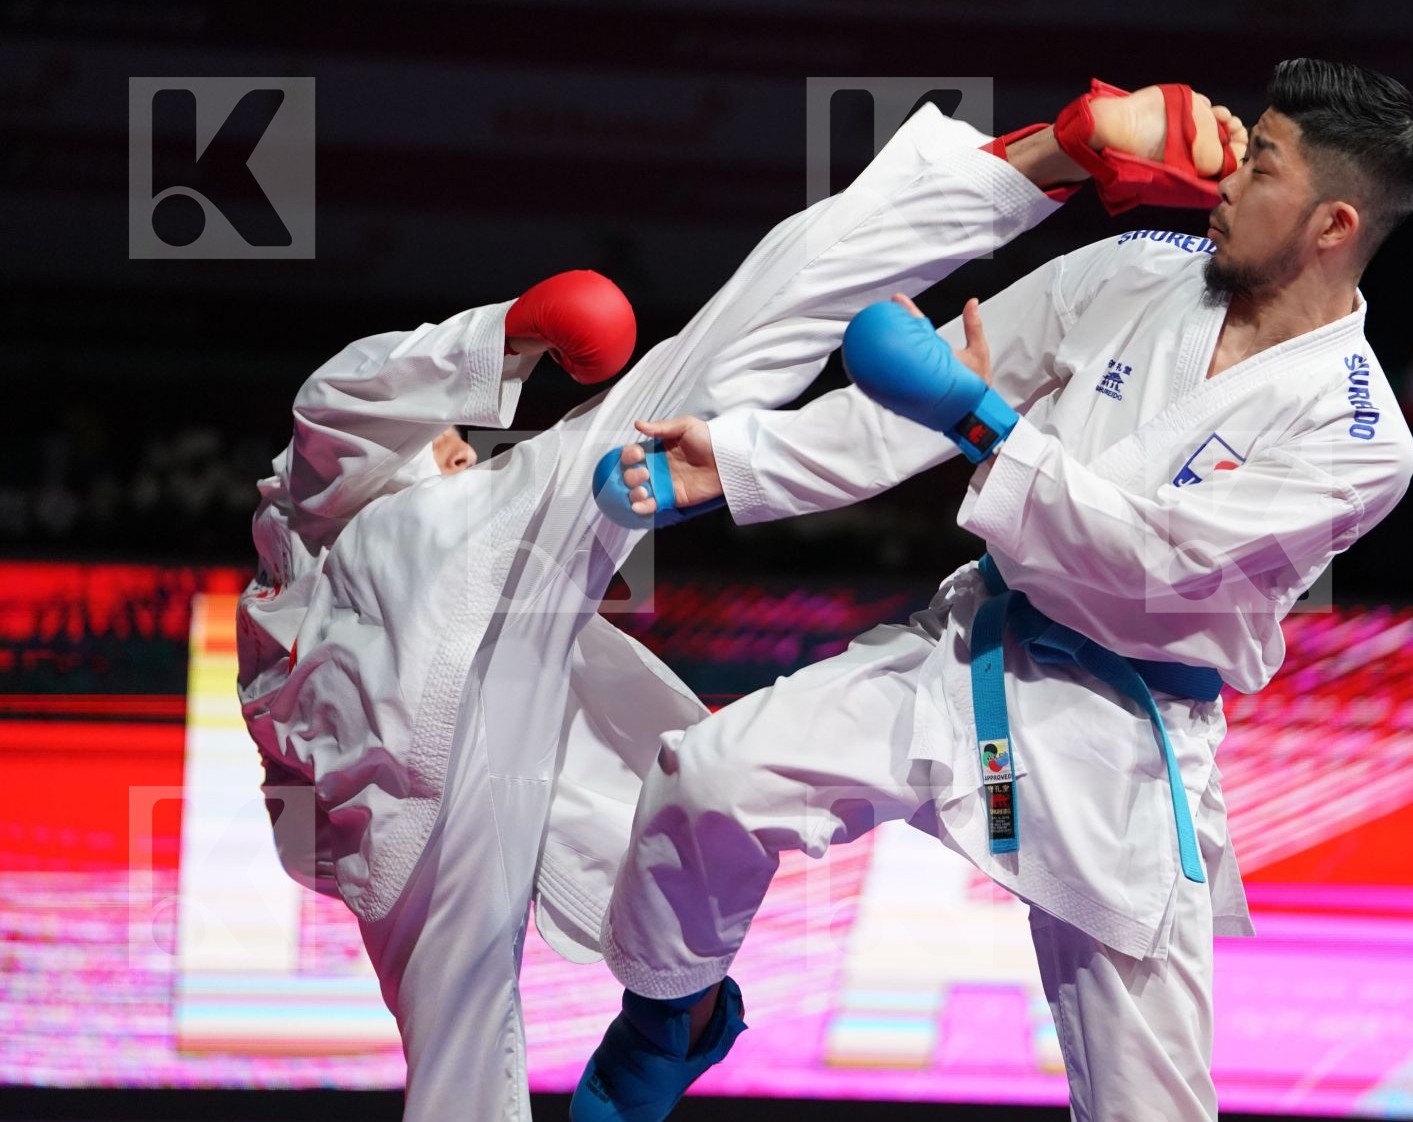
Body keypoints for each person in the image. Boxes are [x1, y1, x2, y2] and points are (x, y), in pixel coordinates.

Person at [583, 59, 1413, 1122]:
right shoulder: (1139, 266)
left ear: (1332, 224)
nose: (1221, 178)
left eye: (1258, 163)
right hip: (971, 654)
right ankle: (676, 1016)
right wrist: (740, 462)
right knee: (708, 781)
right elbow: (923, 383)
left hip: (1121, 738)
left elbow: (1152, 556)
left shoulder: (1358, 437)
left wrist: (983, 422)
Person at [234, 94, 1105, 1121]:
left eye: (463, 436)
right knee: (464, 1046)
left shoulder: (468, 509)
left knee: (710, 371)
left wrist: (511, 345)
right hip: (376, 787)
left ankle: (1036, 158)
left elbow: (378, 419)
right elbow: (335, 409)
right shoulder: (323, 496)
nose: (468, 442)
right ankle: (672, 1025)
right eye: (452, 436)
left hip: (459, 627)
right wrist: (506, 337)